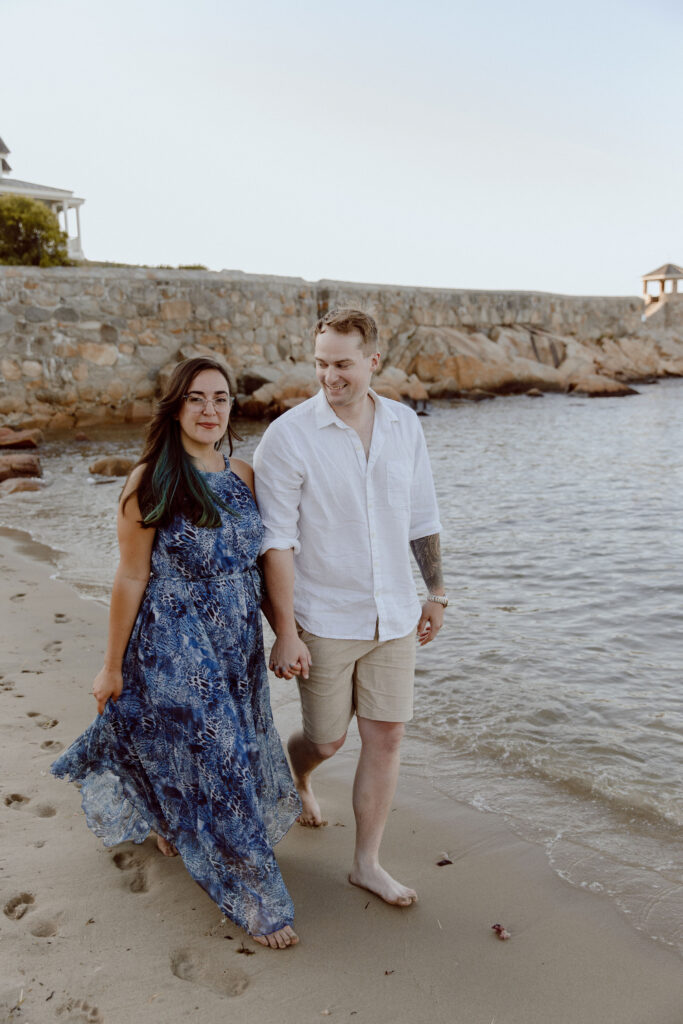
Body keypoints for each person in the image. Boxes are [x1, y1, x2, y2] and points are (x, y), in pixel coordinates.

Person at [51, 357, 301, 949]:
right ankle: (256, 896)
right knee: (220, 755)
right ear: (176, 406)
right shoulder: (150, 479)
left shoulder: (244, 474)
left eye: (220, 399)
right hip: (174, 637)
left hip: (237, 639)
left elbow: (262, 563)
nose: (210, 410)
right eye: (197, 399)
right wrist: (111, 666)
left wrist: (286, 631)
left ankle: (174, 820)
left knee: (226, 744)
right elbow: (130, 578)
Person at [253, 308, 445, 908]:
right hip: (324, 616)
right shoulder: (287, 436)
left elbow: (422, 518)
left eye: (342, 364)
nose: (329, 376)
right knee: (328, 740)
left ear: (372, 362)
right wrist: (285, 631)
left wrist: (436, 592)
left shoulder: (403, 425)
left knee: (386, 737)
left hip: (395, 615)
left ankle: (367, 863)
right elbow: (275, 541)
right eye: (320, 364)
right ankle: (300, 770)